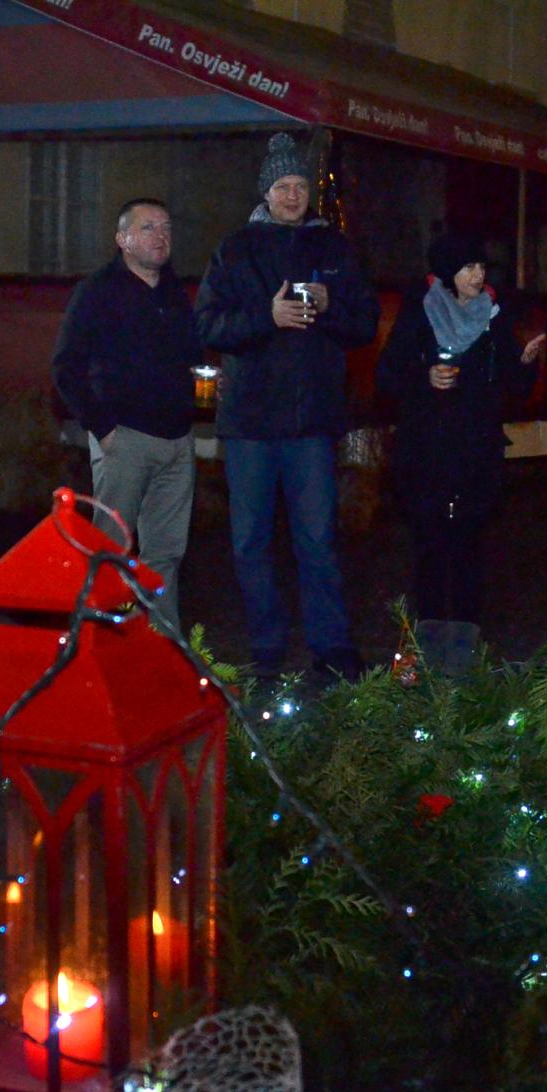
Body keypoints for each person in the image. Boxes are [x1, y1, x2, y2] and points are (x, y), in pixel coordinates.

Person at [194, 133, 377, 681]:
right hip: (250, 421)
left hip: (311, 422)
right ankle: (266, 645)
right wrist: (265, 318)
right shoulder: (235, 249)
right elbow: (208, 325)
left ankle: (331, 645)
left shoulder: (335, 248)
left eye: (299, 185)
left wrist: (331, 304)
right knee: (250, 542)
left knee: (317, 540)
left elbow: (364, 325)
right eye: (282, 186)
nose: (292, 195)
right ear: (265, 192)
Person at [375, 232, 546, 636]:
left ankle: (467, 639)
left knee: (470, 546)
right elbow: (387, 375)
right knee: (430, 546)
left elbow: (517, 385)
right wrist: (425, 376)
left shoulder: (494, 315)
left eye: (481, 267)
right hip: (427, 449)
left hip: (476, 450)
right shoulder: (420, 309)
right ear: (449, 272)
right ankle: (430, 637)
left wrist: (526, 363)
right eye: (469, 267)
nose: (478, 275)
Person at [52, 197, 204, 629]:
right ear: (122, 239)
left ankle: (160, 642)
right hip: (126, 438)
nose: (161, 236)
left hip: (177, 439)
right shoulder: (98, 292)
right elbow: (66, 367)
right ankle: (97, 639)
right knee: (109, 545)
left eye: (166, 227)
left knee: (166, 553)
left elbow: (192, 356)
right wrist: (103, 429)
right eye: (148, 227)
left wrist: (200, 389)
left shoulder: (174, 293)